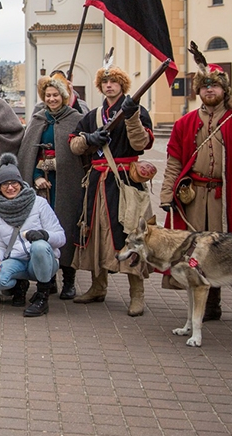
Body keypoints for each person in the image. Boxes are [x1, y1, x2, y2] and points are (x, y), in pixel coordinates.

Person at [160, 55, 232, 332]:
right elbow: (174, 161)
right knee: (198, 254)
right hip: (196, 199)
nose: (209, 90)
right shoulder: (184, 123)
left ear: (225, 90)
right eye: (204, 86)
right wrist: (166, 193)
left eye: (215, 86)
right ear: (198, 91)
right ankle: (211, 305)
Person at [69, 64, 153, 316]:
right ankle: (98, 287)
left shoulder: (137, 111)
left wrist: (132, 117)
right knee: (95, 234)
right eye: (105, 82)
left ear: (122, 85)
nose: (109, 85)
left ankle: (136, 294)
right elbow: (73, 145)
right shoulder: (93, 116)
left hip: (126, 181)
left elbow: (141, 143)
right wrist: (88, 139)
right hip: (97, 182)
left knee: (130, 234)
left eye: (114, 81)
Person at [17, 76, 83, 300]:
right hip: (42, 188)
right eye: (48, 96)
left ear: (64, 97)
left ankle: (69, 280)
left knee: (66, 227)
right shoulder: (37, 119)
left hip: (66, 185)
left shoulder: (75, 119)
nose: (52, 99)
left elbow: (77, 155)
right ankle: (49, 278)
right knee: (42, 227)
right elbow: (28, 154)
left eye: (56, 95)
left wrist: (54, 165)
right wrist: (35, 176)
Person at [0, 153, 66, 317]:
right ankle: (19, 286)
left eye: (14, 183)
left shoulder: (39, 203)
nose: (10, 187)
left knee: (40, 246)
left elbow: (61, 237)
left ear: (20, 183)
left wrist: (43, 234)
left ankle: (42, 298)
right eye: (4, 184)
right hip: (17, 260)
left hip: (42, 260)